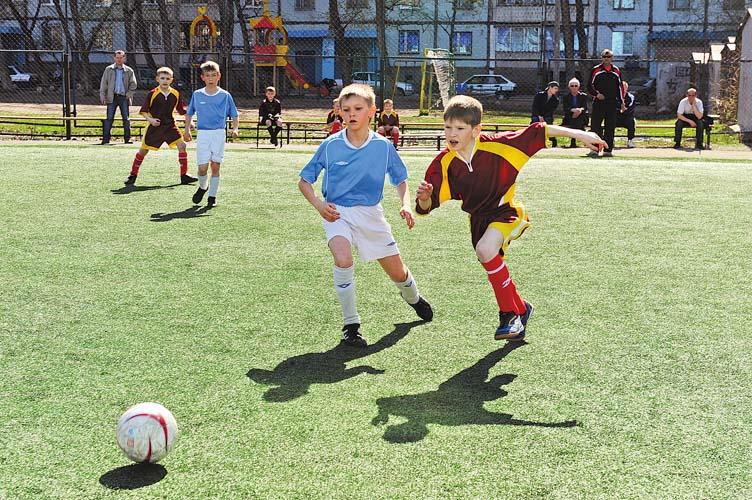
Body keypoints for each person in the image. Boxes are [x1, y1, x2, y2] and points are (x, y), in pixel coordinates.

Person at [415, 95, 606, 340]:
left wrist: (582, 135)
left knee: (485, 250)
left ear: (476, 130)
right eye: (448, 127)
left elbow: (539, 130)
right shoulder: (443, 163)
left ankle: (508, 315)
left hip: (507, 212)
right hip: (478, 220)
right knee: (485, 254)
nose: (452, 133)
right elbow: (426, 206)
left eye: (460, 128)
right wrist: (424, 198)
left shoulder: (499, 145)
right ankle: (521, 308)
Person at [298, 84, 433, 348]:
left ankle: (414, 298)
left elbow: (401, 179)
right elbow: (304, 181)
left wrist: (405, 204)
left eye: (358, 109)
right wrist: (318, 204)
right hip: (337, 212)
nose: (351, 114)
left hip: (371, 214)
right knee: (343, 258)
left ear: (372, 111)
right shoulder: (330, 146)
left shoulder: (383, 147)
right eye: (346, 109)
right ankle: (351, 325)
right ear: (339, 112)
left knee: (398, 273)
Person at [124, 67, 197, 186]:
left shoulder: (176, 93)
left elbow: (182, 110)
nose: (165, 80)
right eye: (162, 78)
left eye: (168, 78)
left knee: (182, 145)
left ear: (171, 80)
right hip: (155, 127)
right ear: (157, 79)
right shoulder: (152, 93)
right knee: (143, 151)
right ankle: (132, 175)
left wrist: (190, 122)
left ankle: (184, 175)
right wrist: (151, 120)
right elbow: (144, 111)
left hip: (170, 126)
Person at [183, 61, 239, 208]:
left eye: (214, 75)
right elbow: (189, 113)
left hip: (219, 134)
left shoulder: (225, 95)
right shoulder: (197, 94)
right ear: (202, 77)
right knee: (202, 168)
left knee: (215, 166)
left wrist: (235, 128)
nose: (211, 78)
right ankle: (203, 187)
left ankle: (212, 197)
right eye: (208, 75)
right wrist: (187, 130)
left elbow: (234, 114)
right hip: (203, 134)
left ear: (219, 76)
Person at [587, 49, 626, 157]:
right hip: (599, 103)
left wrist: (622, 103)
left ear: (612, 58)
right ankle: (594, 149)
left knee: (610, 126)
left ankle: (608, 150)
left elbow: (620, 88)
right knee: (595, 126)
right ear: (602, 58)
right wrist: (596, 94)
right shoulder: (596, 70)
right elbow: (589, 86)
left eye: (609, 57)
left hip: (612, 103)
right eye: (604, 57)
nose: (606, 59)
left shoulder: (616, 70)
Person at [99, 50, 137, 145]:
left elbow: (133, 84)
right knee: (109, 118)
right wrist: (103, 95)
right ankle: (106, 139)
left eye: (121, 57)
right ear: (114, 58)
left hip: (123, 97)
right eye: (117, 57)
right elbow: (104, 83)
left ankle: (127, 139)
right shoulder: (109, 69)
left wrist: (128, 95)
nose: (119, 59)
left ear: (124, 58)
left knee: (126, 118)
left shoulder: (129, 70)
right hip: (112, 97)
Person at [561, 77, 589, 148]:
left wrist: (579, 110)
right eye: (572, 86)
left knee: (577, 119)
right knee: (574, 119)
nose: (574, 87)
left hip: (581, 116)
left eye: (576, 86)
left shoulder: (583, 96)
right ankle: (582, 135)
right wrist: (572, 110)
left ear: (579, 87)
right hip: (570, 116)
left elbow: (585, 107)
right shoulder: (566, 97)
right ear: (569, 87)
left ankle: (573, 142)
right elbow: (565, 108)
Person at [530, 81, 560, 147]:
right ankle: (534, 141)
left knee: (548, 122)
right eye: (555, 88)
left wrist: (543, 117)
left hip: (547, 116)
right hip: (537, 114)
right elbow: (534, 107)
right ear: (550, 87)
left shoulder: (555, 100)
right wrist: (539, 116)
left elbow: (551, 111)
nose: (556, 90)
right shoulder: (539, 95)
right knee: (535, 121)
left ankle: (552, 140)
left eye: (557, 89)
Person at [615, 80, 637, 148]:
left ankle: (630, 141)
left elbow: (631, 109)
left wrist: (623, 111)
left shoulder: (631, 97)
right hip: (616, 117)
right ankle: (610, 141)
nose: (623, 90)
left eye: (624, 88)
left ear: (627, 88)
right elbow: (612, 107)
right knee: (610, 121)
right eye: (621, 88)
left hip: (627, 117)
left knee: (632, 122)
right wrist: (620, 110)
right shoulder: (615, 96)